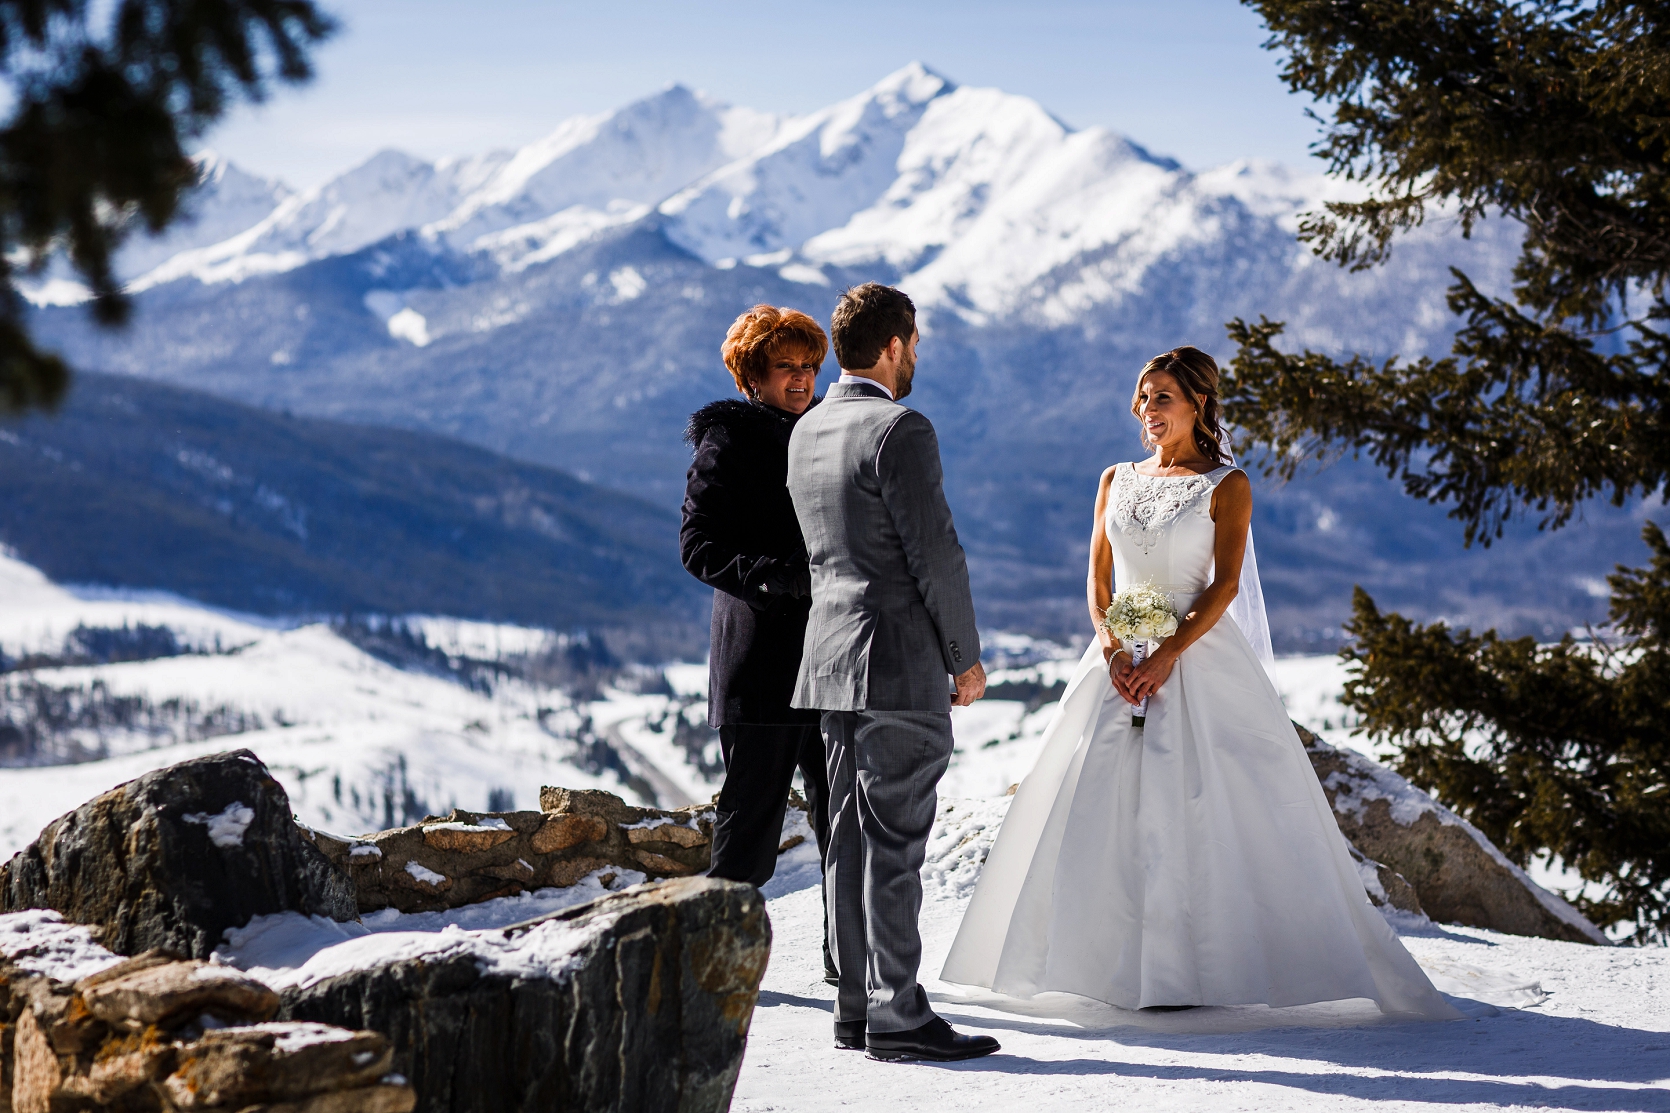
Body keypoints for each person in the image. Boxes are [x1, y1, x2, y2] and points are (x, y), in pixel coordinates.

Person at [939, 346, 1461, 1021]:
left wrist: (1169, 654)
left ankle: (1202, 966)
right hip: (1114, 662)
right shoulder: (1114, 479)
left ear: (1198, 404)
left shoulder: (1227, 484)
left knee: (1203, 810)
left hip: (1199, 658)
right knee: (1094, 806)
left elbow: (1225, 585)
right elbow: (1099, 582)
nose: (1146, 410)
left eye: (1161, 397)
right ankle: (1099, 964)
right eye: (1141, 395)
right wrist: (1111, 645)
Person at [787, 282, 1002, 1062]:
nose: (917, 356)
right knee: (895, 841)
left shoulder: (807, 430)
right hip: (898, 662)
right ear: (893, 346)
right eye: (914, 342)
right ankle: (900, 1012)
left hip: (831, 659)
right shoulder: (900, 427)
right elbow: (934, 553)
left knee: (846, 838)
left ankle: (855, 1005)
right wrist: (964, 655)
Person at [681, 306, 832, 973]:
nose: (801, 380)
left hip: (834, 660)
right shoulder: (731, 439)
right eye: (786, 367)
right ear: (752, 375)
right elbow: (698, 544)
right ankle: (713, 969)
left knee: (846, 824)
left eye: (809, 366)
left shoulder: (827, 430)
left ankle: (848, 957)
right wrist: (779, 579)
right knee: (748, 833)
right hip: (764, 665)